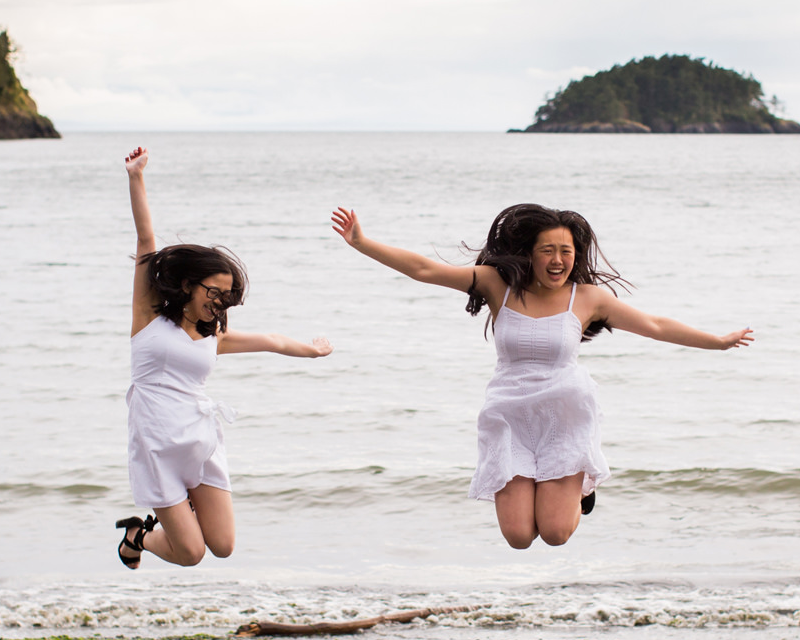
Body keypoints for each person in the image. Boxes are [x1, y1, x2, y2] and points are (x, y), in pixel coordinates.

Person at [331, 202, 752, 549]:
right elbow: (424, 269)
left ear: (577, 254)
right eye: (547, 250)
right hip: (509, 413)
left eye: (566, 251)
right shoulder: (498, 283)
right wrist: (361, 242)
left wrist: (716, 341)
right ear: (529, 253)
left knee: (554, 534)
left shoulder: (588, 298)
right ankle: (562, 488)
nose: (558, 261)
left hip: (565, 413)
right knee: (518, 536)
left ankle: (582, 490)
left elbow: (655, 325)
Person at [117, 147, 332, 569]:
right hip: (158, 446)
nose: (219, 301)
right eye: (213, 292)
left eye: (225, 295)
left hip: (199, 442)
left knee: (223, 545)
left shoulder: (211, 336)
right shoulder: (147, 320)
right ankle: (138, 534)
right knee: (192, 554)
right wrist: (135, 178)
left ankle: (173, 519)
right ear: (187, 285)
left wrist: (312, 350)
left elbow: (271, 340)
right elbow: (146, 241)